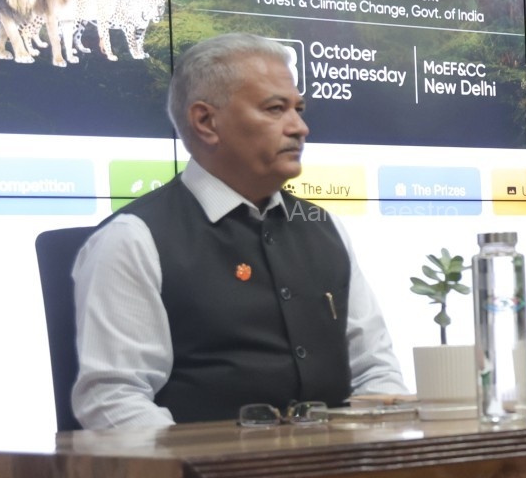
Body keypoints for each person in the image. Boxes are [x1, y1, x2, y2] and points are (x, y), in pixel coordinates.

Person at [71, 33, 406, 428]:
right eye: (275, 109)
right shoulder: (132, 239)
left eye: (298, 109)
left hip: (335, 474)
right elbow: (114, 399)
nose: (300, 128)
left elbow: (375, 372)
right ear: (206, 121)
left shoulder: (324, 229)